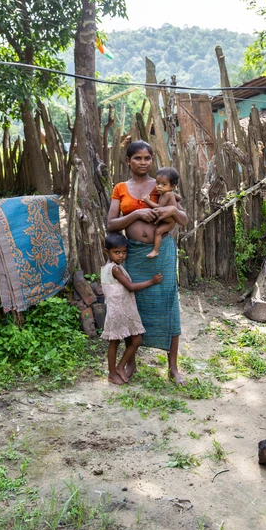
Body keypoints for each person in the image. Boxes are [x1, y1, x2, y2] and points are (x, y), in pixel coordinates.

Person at [107, 140, 188, 385]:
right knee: (135, 306)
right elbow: (111, 224)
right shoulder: (120, 188)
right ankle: (131, 363)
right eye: (137, 158)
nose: (143, 163)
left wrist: (171, 212)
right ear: (128, 161)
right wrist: (136, 214)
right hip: (133, 255)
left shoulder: (162, 184)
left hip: (161, 252)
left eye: (147, 158)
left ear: (152, 160)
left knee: (168, 303)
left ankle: (173, 367)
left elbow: (183, 218)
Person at [101, 231, 163, 385]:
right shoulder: (114, 269)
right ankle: (112, 373)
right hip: (118, 311)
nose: (121, 256)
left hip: (123, 310)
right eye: (117, 252)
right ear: (106, 252)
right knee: (115, 342)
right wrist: (152, 281)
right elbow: (130, 287)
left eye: (123, 252)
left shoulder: (111, 267)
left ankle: (120, 367)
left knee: (135, 339)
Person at [142, 167, 180, 259]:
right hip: (167, 220)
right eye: (158, 183)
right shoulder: (168, 192)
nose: (159, 186)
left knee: (158, 232)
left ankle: (155, 251)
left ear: (173, 186)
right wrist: (176, 198)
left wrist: (147, 201)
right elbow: (179, 198)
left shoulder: (167, 194)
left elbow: (160, 208)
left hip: (169, 222)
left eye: (164, 184)